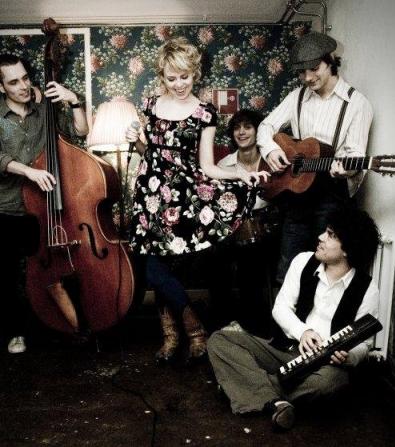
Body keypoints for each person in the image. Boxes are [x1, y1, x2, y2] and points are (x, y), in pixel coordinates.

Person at [126, 37, 268, 364]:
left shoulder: (205, 113)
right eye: (171, 78)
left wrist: (240, 174)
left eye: (185, 76)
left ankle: (185, 332)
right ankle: (183, 330)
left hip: (184, 197)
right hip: (150, 195)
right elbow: (151, 154)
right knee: (150, 264)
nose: (179, 84)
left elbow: (207, 166)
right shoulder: (150, 105)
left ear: (195, 73)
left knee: (163, 266)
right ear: (162, 77)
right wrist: (136, 141)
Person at [208, 207, 380, 431]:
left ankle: (252, 388)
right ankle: (270, 397)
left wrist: (349, 357)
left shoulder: (367, 289)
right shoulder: (303, 261)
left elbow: (365, 344)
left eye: (330, 235)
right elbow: (280, 308)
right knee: (220, 340)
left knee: (332, 382)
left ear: (348, 249)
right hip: (284, 351)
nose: (321, 237)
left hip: (323, 367)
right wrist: (303, 332)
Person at [257, 31, 373, 283]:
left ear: (330, 61)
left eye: (314, 69)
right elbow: (265, 126)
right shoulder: (296, 97)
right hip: (297, 197)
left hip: (331, 197)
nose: (308, 78)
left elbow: (355, 154)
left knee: (325, 272)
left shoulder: (357, 104)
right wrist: (271, 150)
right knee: (288, 270)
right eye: (302, 72)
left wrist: (348, 169)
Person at [0, 54, 89, 354]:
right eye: (14, 82)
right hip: (7, 206)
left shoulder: (44, 111)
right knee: (8, 275)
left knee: (46, 269)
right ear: (1, 87)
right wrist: (28, 171)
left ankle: (54, 326)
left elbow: (80, 131)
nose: (23, 86)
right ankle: (15, 332)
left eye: (25, 78)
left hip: (42, 207)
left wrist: (73, 100)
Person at [208, 109, 279, 337]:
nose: (241, 132)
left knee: (251, 261)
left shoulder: (271, 160)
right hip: (235, 228)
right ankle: (222, 324)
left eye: (247, 127)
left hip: (269, 228)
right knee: (215, 258)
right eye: (237, 128)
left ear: (258, 132)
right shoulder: (224, 164)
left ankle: (255, 327)